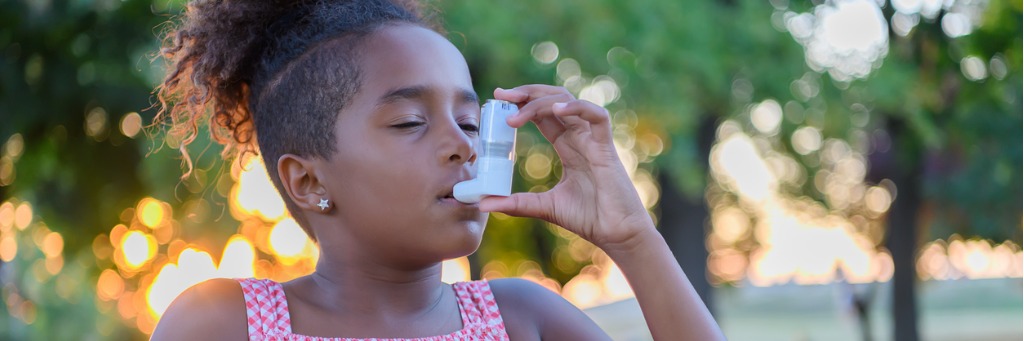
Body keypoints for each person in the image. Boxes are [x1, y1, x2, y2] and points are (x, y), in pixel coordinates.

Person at [149, 0, 725, 340]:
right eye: (408, 122)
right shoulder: (224, 324)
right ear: (309, 181)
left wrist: (632, 236)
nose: (463, 147)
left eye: (472, 123)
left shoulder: (523, 319)